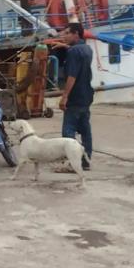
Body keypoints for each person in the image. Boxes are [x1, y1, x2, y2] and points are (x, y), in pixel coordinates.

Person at [54, 22, 93, 170]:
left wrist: (64, 96)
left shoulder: (73, 52)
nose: (63, 36)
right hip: (86, 95)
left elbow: (72, 76)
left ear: (76, 34)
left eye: (67, 33)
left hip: (75, 97)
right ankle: (86, 161)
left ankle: (72, 163)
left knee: (68, 132)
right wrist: (67, 47)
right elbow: (80, 57)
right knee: (85, 130)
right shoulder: (87, 49)